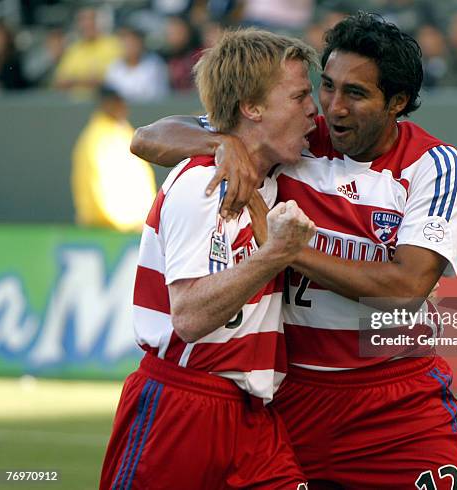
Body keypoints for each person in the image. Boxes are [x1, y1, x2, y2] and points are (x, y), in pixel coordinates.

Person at [131, 12, 457, 489]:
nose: (331, 108)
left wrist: (287, 251)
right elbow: (147, 136)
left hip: (395, 402)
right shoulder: (294, 138)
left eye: (355, 94)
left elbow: (404, 288)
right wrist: (219, 141)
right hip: (292, 396)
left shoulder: (434, 166)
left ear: (397, 102)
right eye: (326, 86)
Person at [100, 28, 318, 490]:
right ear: (252, 108)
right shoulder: (201, 184)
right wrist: (275, 254)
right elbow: (190, 315)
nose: (313, 109)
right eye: (299, 96)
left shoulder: (277, 169)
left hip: (254, 415)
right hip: (181, 403)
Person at [71, 86, 156, 232]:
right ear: (107, 104)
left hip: (132, 225)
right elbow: (99, 185)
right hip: (109, 229)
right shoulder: (97, 138)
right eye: (118, 102)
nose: (123, 107)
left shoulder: (121, 130)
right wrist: (125, 223)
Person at [53, 7, 121, 95]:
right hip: (74, 105)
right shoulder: (74, 49)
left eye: (91, 19)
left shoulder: (113, 45)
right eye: (82, 20)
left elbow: (112, 80)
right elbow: (60, 82)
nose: (86, 24)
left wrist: (74, 81)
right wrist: (87, 80)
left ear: (100, 22)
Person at [105, 26, 170, 102]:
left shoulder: (155, 64)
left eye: (133, 41)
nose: (130, 46)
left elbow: (157, 97)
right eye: (126, 42)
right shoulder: (114, 67)